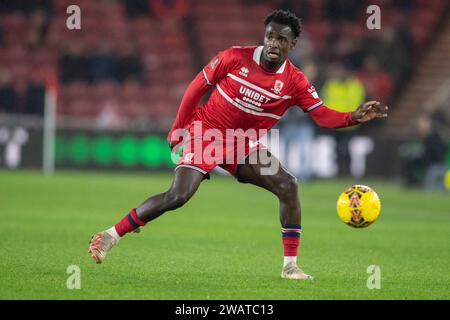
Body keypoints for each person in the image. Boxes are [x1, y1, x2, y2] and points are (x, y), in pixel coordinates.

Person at [88, 10, 388, 280]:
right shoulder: (234, 57)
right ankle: (111, 234)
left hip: (242, 144)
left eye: (281, 39)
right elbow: (196, 87)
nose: (273, 43)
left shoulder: (295, 82)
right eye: (269, 36)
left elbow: (322, 116)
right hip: (207, 134)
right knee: (178, 196)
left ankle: (290, 266)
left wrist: (353, 116)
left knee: (288, 184)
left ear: (292, 45)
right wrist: (179, 128)